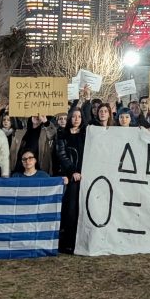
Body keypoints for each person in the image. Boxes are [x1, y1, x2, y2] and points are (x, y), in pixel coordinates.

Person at [56, 108, 86, 253]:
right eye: (73, 116)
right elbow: (62, 155)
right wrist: (73, 171)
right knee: (70, 209)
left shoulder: (87, 134)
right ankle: (68, 242)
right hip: (70, 176)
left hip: (85, 176)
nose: (76, 119)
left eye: (79, 116)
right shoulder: (62, 135)